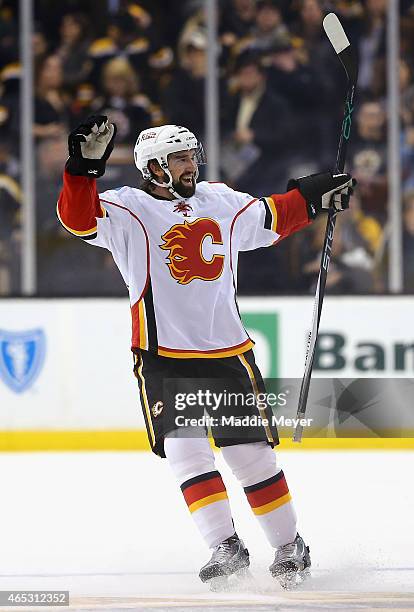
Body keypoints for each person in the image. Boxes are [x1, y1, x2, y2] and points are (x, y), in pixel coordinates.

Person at [57, 115, 355, 589]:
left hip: (225, 353)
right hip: (160, 355)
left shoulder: (219, 200)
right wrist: (81, 170)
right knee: (186, 451)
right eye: (179, 158)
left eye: (192, 155)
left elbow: (270, 217)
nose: (190, 165)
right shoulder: (126, 209)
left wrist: (312, 196)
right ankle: (224, 544)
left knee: (251, 456)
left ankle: (288, 546)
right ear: (154, 168)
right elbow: (77, 219)